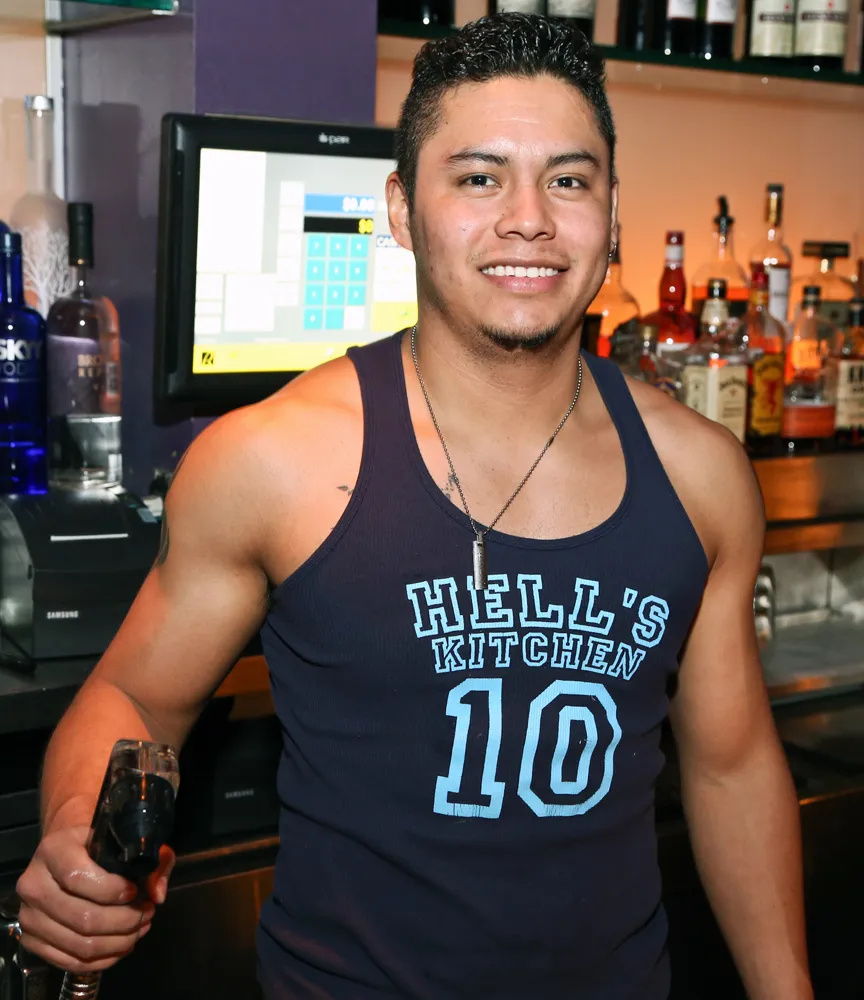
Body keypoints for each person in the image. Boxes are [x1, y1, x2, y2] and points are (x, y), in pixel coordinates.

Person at [16, 13, 812, 1000]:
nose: (529, 218)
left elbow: (732, 766)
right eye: (478, 178)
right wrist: (73, 832)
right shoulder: (276, 460)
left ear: (612, 214)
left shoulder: (701, 476)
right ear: (401, 209)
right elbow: (134, 698)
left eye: (569, 181)